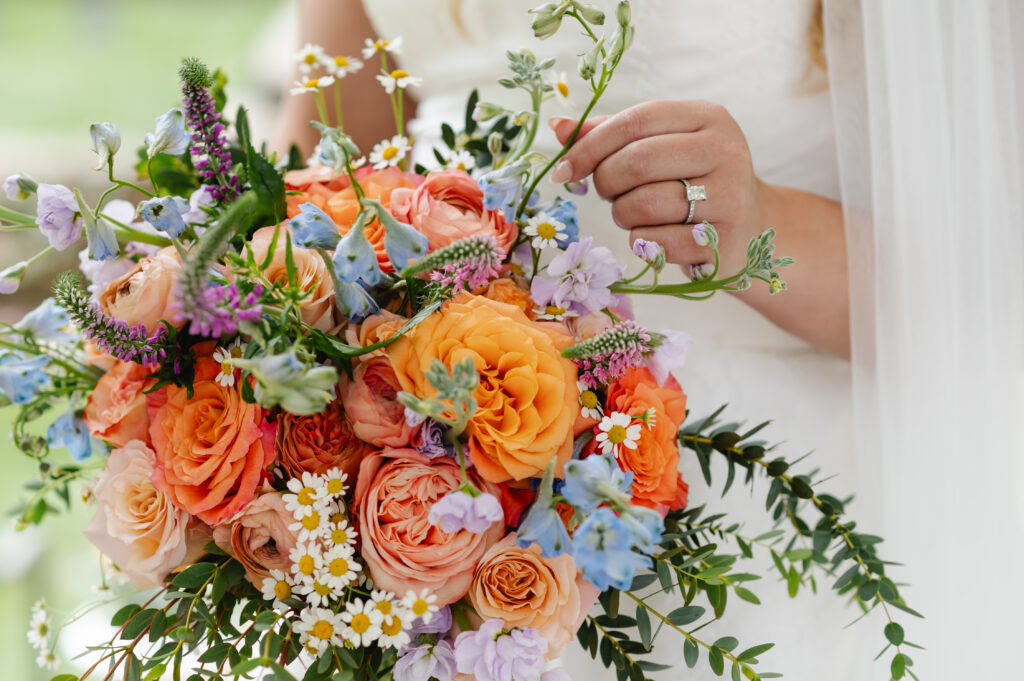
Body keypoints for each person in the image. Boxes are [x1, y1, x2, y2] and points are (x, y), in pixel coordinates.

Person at [275, 1, 869, 678]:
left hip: (757, 499)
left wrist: (759, 225)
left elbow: (970, 283)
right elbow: (326, 180)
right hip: (443, 491)